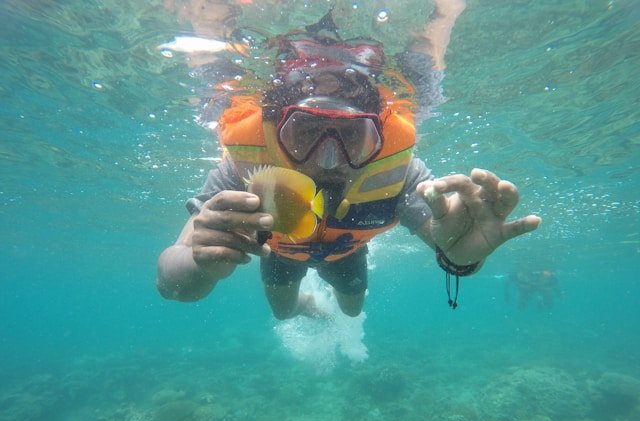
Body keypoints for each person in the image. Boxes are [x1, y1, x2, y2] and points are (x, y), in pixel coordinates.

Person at [156, 0, 541, 319]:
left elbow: (449, 240)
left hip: (346, 253)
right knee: (284, 312)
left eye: (352, 136)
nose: (327, 160)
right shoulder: (243, 173)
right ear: (275, 132)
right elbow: (172, 284)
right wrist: (198, 264)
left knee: (353, 311)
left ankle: (334, 299)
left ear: (379, 138)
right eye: (305, 132)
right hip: (280, 253)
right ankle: (307, 304)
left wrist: (458, 258)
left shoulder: (401, 175)